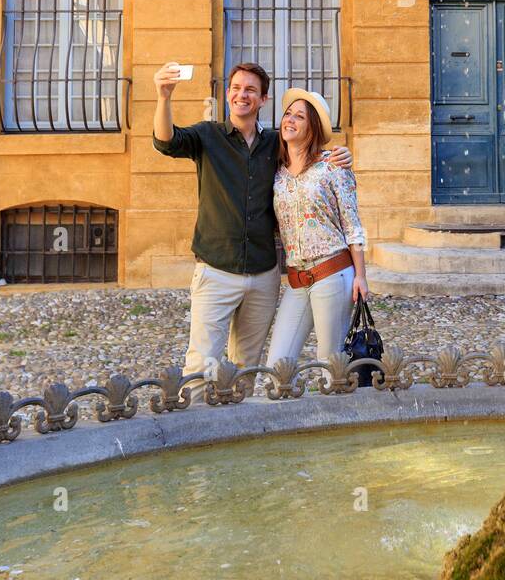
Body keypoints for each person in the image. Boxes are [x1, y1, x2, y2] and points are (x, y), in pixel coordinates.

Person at [152, 62, 351, 398]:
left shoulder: (276, 144)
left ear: (263, 99)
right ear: (228, 94)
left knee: (246, 368)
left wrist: (338, 154)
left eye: (250, 90)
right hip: (215, 272)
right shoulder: (207, 136)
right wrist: (163, 96)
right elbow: (166, 141)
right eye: (236, 88)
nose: (241, 95)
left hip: (263, 277)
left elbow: (308, 152)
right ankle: (195, 438)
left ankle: (236, 435)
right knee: (200, 366)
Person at [266, 88, 368, 367]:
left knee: (330, 363)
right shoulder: (276, 173)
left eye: (300, 116)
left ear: (312, 128)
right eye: (288, 114)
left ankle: (340, 410)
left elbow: (352, 223)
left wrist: (361, 275)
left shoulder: (332, 166)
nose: (290, 120)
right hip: (297, 279)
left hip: (332, 272)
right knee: (277, 366)